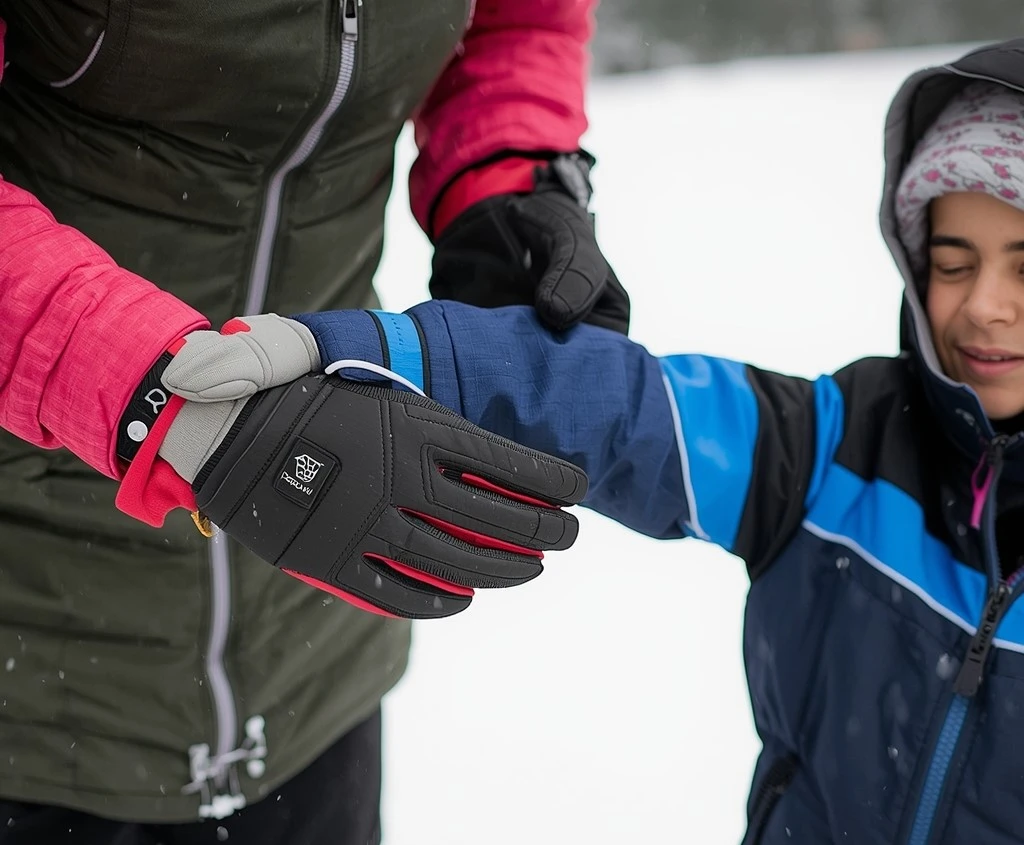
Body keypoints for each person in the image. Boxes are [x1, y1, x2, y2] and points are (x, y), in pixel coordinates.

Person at [284, 39, 1024, 843]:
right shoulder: (833, 449)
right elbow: (614, 404)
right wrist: (367, 356)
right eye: (953, 264)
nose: (984, 304)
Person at [0, 2, 626, 843]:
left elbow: (520, 21)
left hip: (315, 627)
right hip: (33, 658)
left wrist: (506, 181)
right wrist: (178, 407)